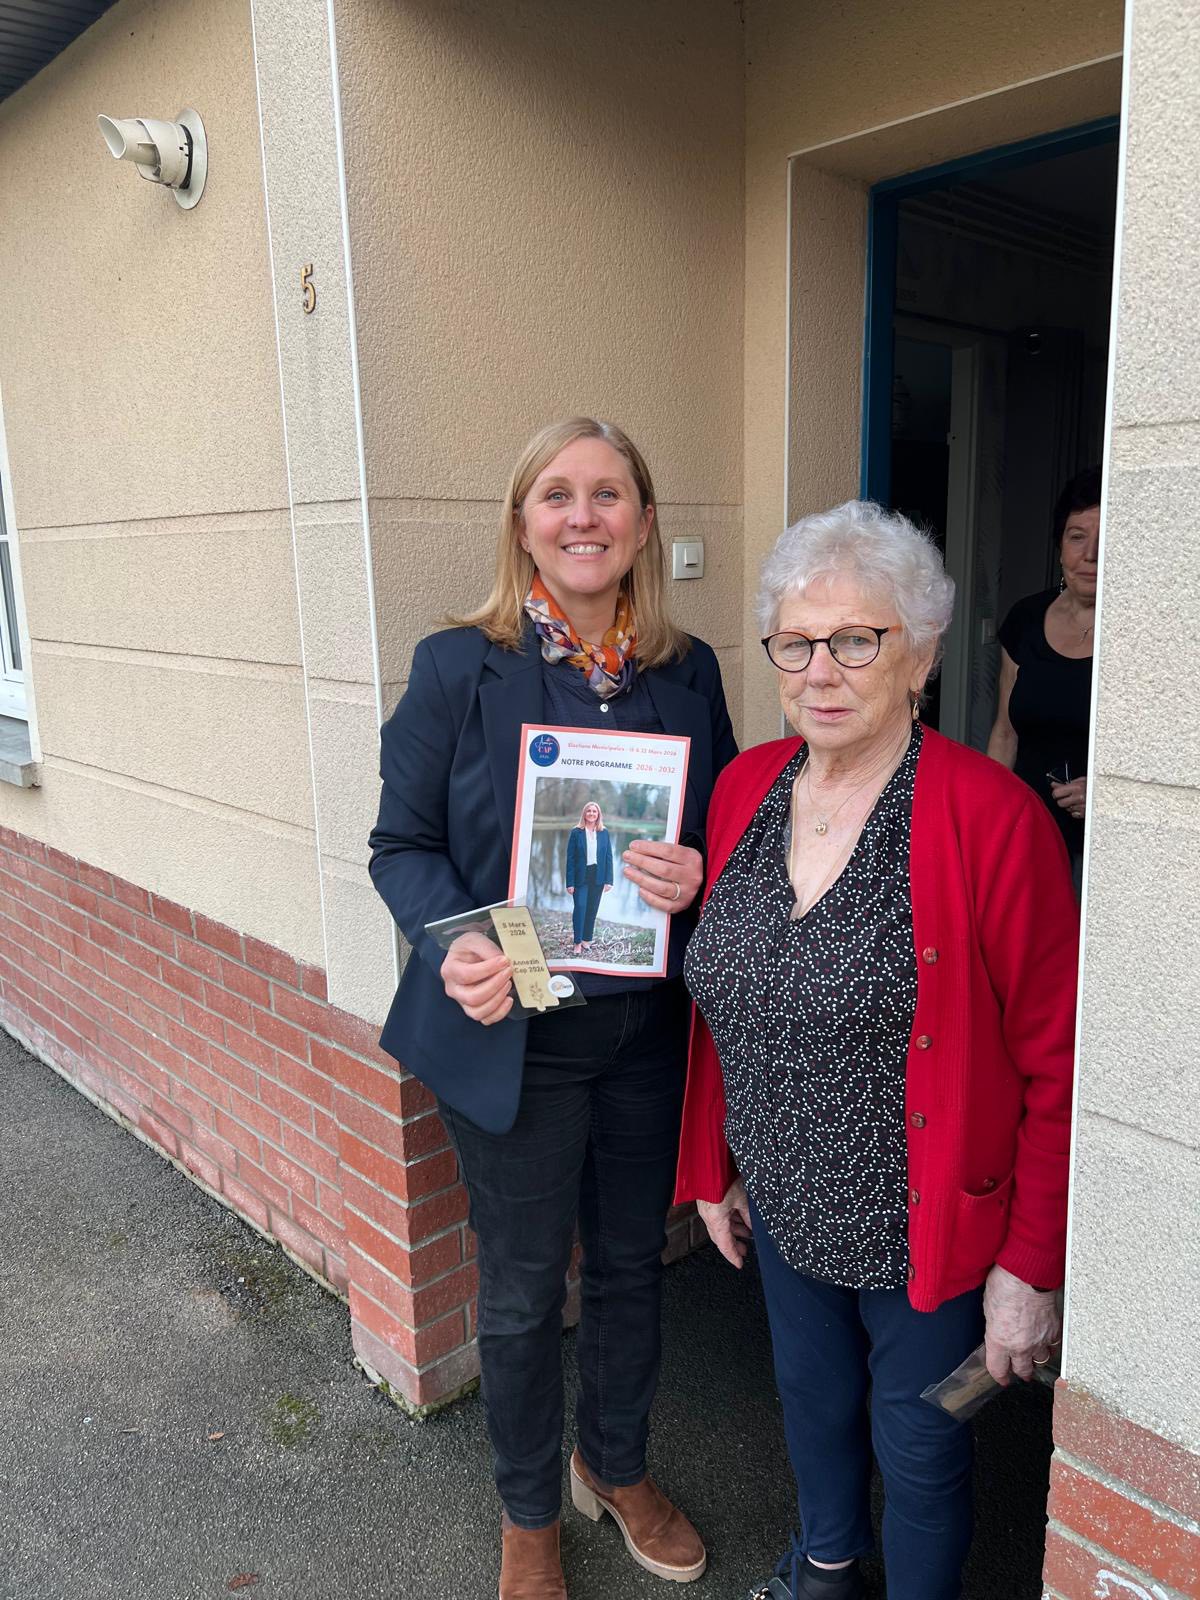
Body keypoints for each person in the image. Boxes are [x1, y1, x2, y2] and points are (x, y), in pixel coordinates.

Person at [674, 501, 1078, 1600]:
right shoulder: (745, 788)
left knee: (923, 1443)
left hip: (929, 1225)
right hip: (784, 1197)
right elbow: (728, 994)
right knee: (811, 1405)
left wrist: (1029, 1267)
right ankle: (827, 1569)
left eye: (858, 640)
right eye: (797, 643)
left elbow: (1057, 1063)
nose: (822, 671)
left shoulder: (992, 817)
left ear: (922, 655)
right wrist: (714, 1164)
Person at [369, 417, 737, 1599]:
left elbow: (719, 832)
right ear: (523, 523)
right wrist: (457, 940)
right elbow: (401, 845)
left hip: (642, 1032)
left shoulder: (688, 671)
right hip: (512, 1031)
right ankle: (529, 1513)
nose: (586, 516)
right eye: (559, 495)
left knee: (632, 1263)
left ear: (644, 521)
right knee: (526, 1288)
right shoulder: (455, 666)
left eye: (610, 493)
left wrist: (697, 867)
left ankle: (611, 1465)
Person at [987, 466, 1101, 889]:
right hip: (1027, 826)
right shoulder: (1026, 618)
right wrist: (989, 811)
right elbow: (1005, 732)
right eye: (1077, 536)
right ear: (1059, 546)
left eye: (1105, 535)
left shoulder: (1139, 633)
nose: (1090, 554)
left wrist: (1106, 793)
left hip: (1101, 842)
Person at [565, 800, 613, 954]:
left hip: (598, 876)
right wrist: (570, 882)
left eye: (594, 811)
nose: (592, 813)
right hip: (581, 876)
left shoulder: (604, 832)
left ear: (598, 814)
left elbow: (609, 857)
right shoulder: (576, 832)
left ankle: (586, 940)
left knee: (592, 910)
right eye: (589, 811)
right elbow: (570, 859)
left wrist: (609, 880)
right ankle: (577, 942)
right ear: (584, 814)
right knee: (580, 907)